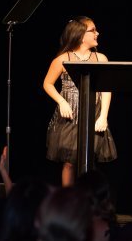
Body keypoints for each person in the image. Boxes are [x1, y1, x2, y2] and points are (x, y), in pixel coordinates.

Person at [43, 16, 117, 187]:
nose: (97, 33)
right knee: (69, 162)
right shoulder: (63, 59)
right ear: (81, 35)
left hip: (93, 114)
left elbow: (106, 89)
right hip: (70, 116)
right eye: (93, 30)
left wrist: (103, 116)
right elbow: (47, 83)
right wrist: (61, 101)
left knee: (90, 162)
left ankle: (89, 198)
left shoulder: (101, 58)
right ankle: (68, 199)